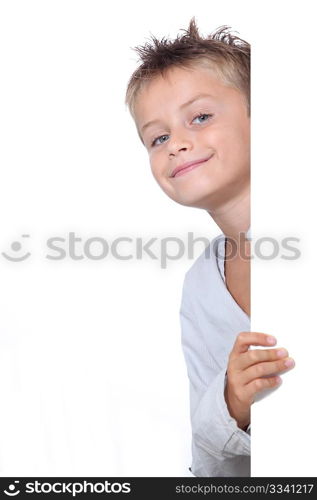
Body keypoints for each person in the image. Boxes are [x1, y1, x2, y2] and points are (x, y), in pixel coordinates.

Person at [125, 18, 295, 476]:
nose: (177, 144)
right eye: (157, 138)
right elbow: (210, 456)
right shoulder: (201, 287)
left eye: (200, 117)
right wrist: (232, 401)